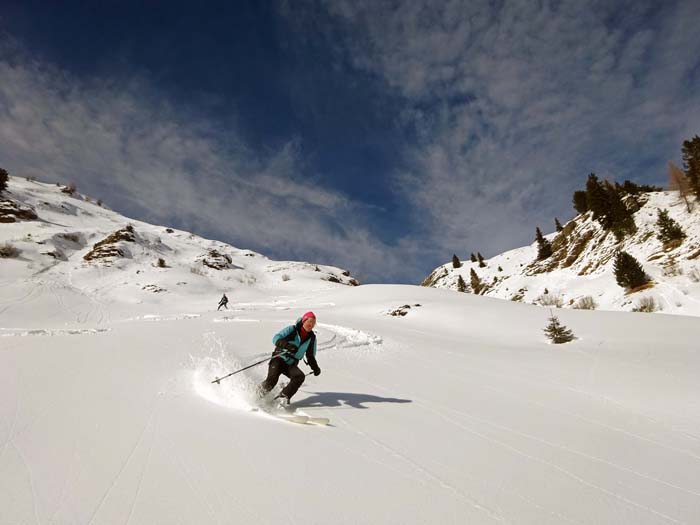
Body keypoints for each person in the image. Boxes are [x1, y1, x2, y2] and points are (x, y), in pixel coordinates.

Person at [258, 311, 321, 404]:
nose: (311, 324)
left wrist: (315, 368)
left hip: (291, 364)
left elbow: (310, 356)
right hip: (279, 359)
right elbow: (276, 338)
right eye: (309, 321)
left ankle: (282, 398)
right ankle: (257, 395)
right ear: (304, 321)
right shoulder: (292, 329)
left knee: (299, 377)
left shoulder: (311, 338)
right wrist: (287, 346)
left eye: (313, 323)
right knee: (272, 380)